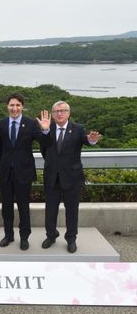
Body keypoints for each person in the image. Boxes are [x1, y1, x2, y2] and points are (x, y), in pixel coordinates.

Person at [41, 100, 101, 253]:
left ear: (69, 113)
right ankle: (51, 235)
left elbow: (86, 141)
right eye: (56, 111)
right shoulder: (47, 128)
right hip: (52, 177)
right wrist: (45, 131)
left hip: (72, 178)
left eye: (63, 111)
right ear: (53, 114)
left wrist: (92, 140)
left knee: (72, 211)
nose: (59, 113)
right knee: (50, 210)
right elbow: (44, 149)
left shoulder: (78, 129)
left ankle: (71, 239)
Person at [0, 93, 51, 250]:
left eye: (18, 105)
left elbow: (45, 141)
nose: (14, 108)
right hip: (5, 171)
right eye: (12, 105)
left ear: (22, 107)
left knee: (23, 206)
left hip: (23, 171)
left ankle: (24, 237)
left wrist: (45, 130)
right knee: (6, 206)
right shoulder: (1, 124)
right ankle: (8, 235)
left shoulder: (31, 124)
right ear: (7, 106)